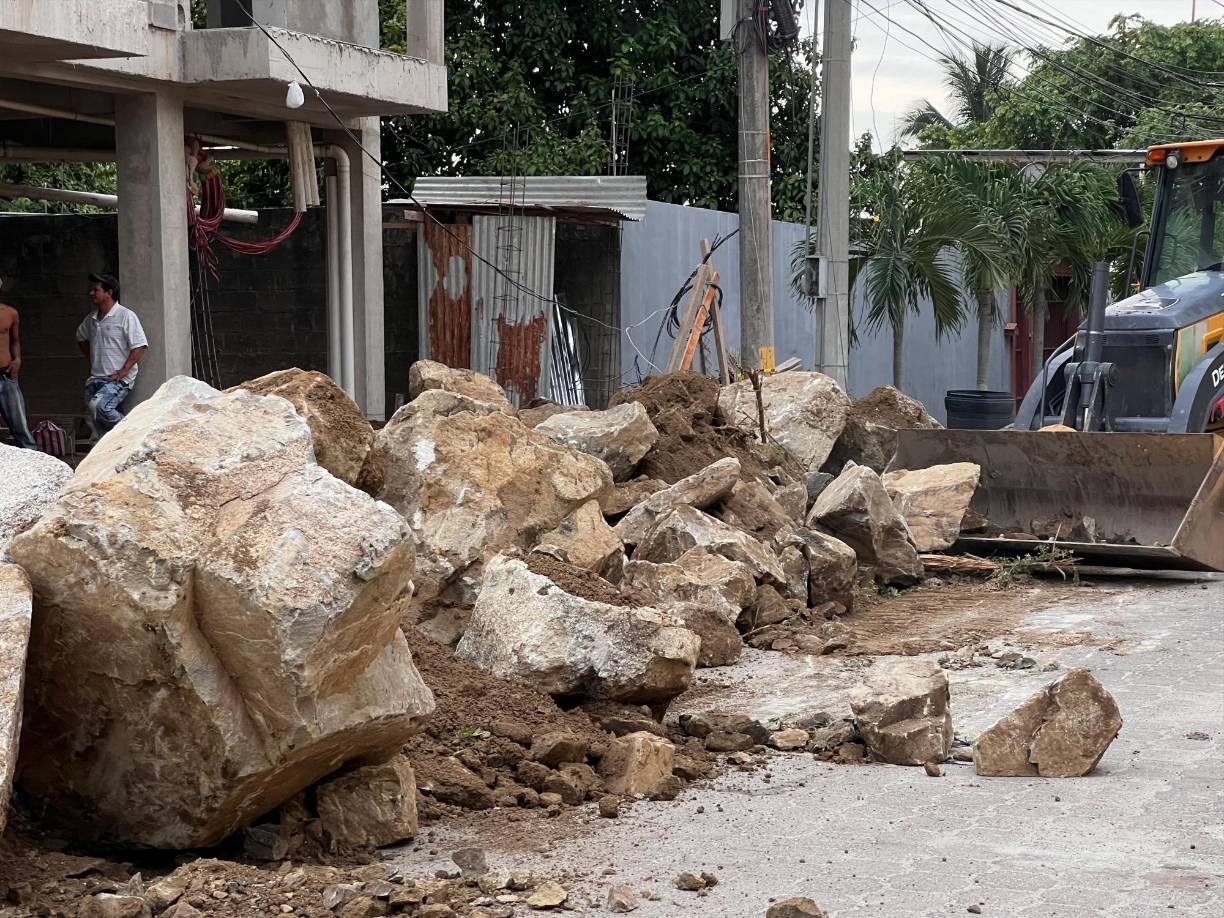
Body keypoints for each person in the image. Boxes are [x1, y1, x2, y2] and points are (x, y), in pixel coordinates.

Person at [77, 273, 148, 437]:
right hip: (96, 377)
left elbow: (139, 346)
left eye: (96, 290)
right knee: (96, 422)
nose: (91, 293)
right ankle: (113, 450)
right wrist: (93, 358)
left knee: (99, 407)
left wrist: (124, 371)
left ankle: (132, 434)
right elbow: (80, 337)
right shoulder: (91, 319)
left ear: (109, 292)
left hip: (118, 379)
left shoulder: (125, 316)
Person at [0, 279, 37, 449]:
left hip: (6, 376)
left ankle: (35, 468)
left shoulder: (10, 313)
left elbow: (15, 341)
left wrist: (17, 360)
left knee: (20, 427)